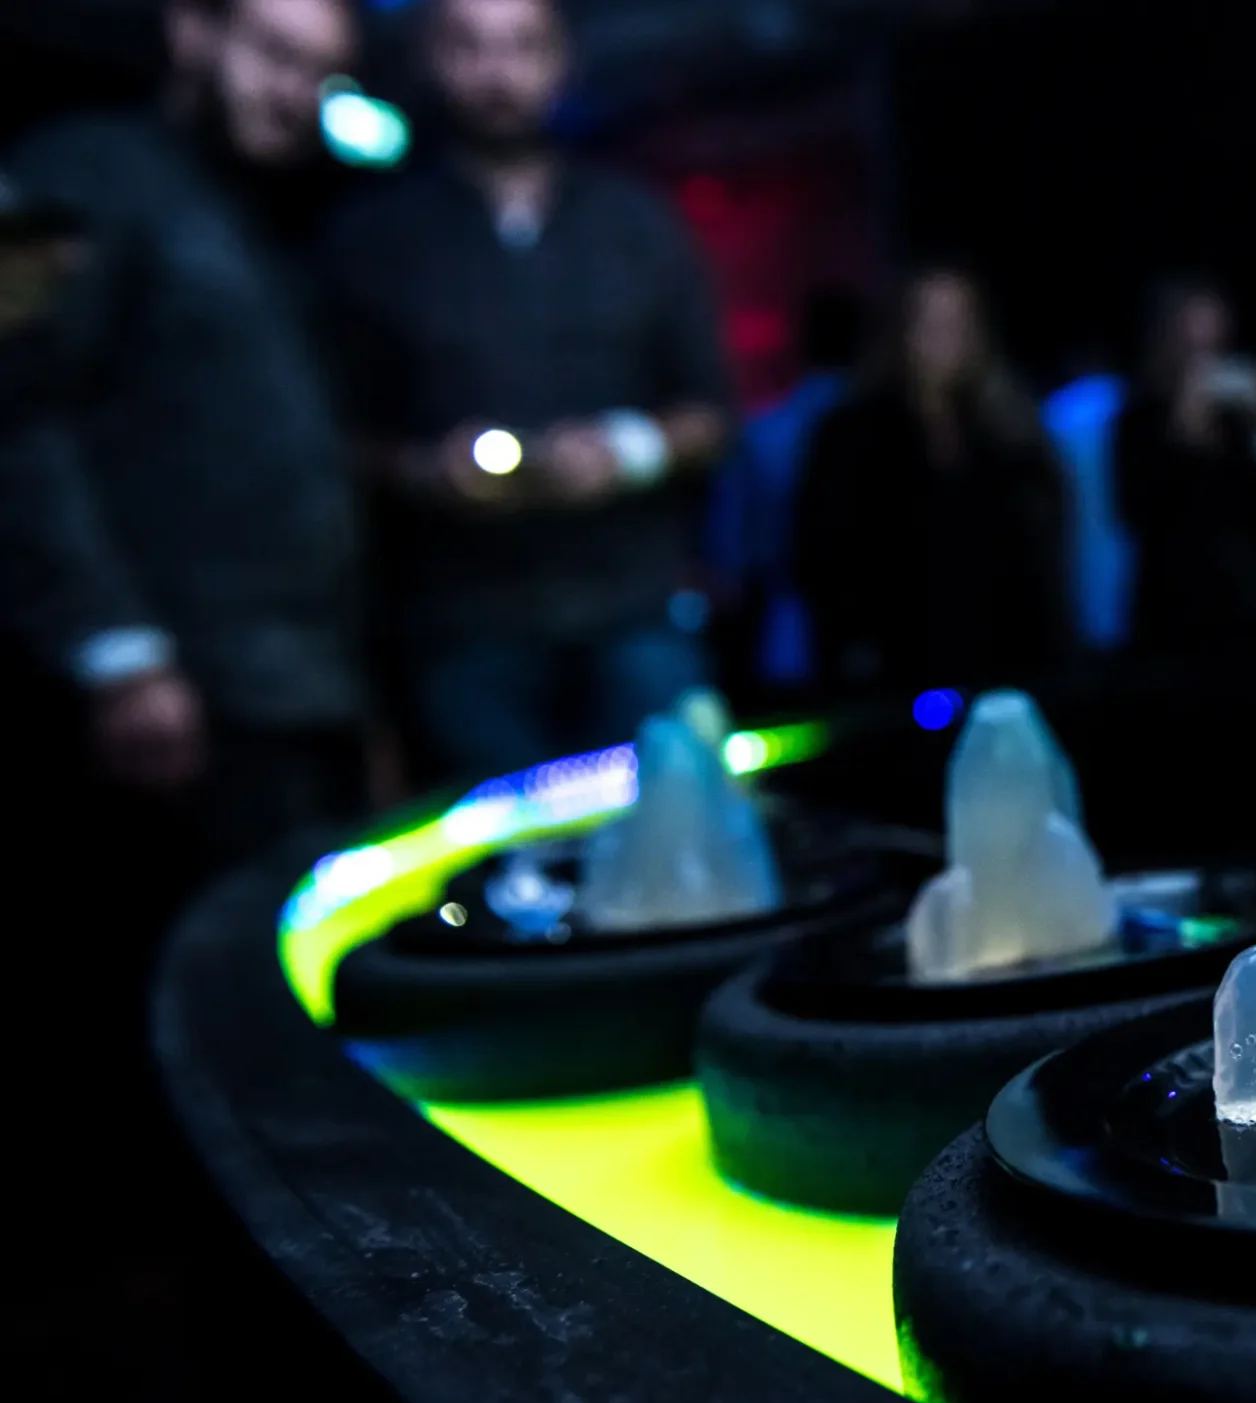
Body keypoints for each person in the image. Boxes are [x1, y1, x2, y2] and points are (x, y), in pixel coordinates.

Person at [0, 0, 370, 867]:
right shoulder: (87, 169)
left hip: (295, 684)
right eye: (276, 55)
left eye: (322, 75)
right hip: (179, 693)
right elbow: (18, 415)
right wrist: (116, 652)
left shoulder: (260, 207)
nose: (296, 95)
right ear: (192, 33)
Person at [323, 0, 732, 784]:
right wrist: (424, 472)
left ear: (559, 61)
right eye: (470, 47)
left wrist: (626, 451)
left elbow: (714, 409)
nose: (497, 73)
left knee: (676, 842)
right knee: (502, 872)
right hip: (463, 628)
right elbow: (329, 440)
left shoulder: (637, 224)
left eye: (521, 47)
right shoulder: (369, 241)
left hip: (634, 608)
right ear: (430, 60)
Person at [793, 267, 1070, 697]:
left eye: (957, 324)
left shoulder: (1011, 432)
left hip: (1004, 664)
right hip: (894, 670)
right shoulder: (851, 434)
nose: (943, 340)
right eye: (929, 323)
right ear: (899, 330)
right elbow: (824, 553)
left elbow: (1042, 545)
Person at [1113, 277, 1256, 658]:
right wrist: (1183, 435)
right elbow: (1135, 511)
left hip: (1254, 606)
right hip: (1174, 612)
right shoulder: (1140, 417)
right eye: (1192, 338)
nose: (1206, 354)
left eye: (1214, 337)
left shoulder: (1242, 418)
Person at [702, 286, 863, 695]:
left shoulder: (767, 429)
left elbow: (731, 540)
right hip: (814, 610)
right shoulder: (877, 426)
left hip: (784, 614)